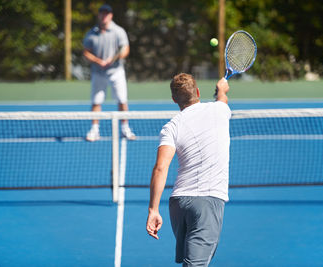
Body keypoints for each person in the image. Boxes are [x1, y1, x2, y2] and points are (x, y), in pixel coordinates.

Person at [146, 73, 231, 266]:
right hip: (207, 202)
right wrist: (222, 89)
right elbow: (222, 98)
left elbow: (160, 167)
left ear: (174, 99)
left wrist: (153, 209)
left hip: (179, 204)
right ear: (198, 92)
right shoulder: (220, 110)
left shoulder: (171, 127)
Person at [83, 4, 135, 141]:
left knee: (122, 100)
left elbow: (125, 49)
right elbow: (86, 52)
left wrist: (116, 58)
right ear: (99, 15)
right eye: (102, 13)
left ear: (111, 15)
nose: (104, 16)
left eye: (107, 13)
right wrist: (98, 61)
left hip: (116, 72)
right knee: (96, 102)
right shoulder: (91, 33)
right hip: (98, 73)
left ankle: (125, 128)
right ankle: (94, 130)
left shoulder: (119, 31)